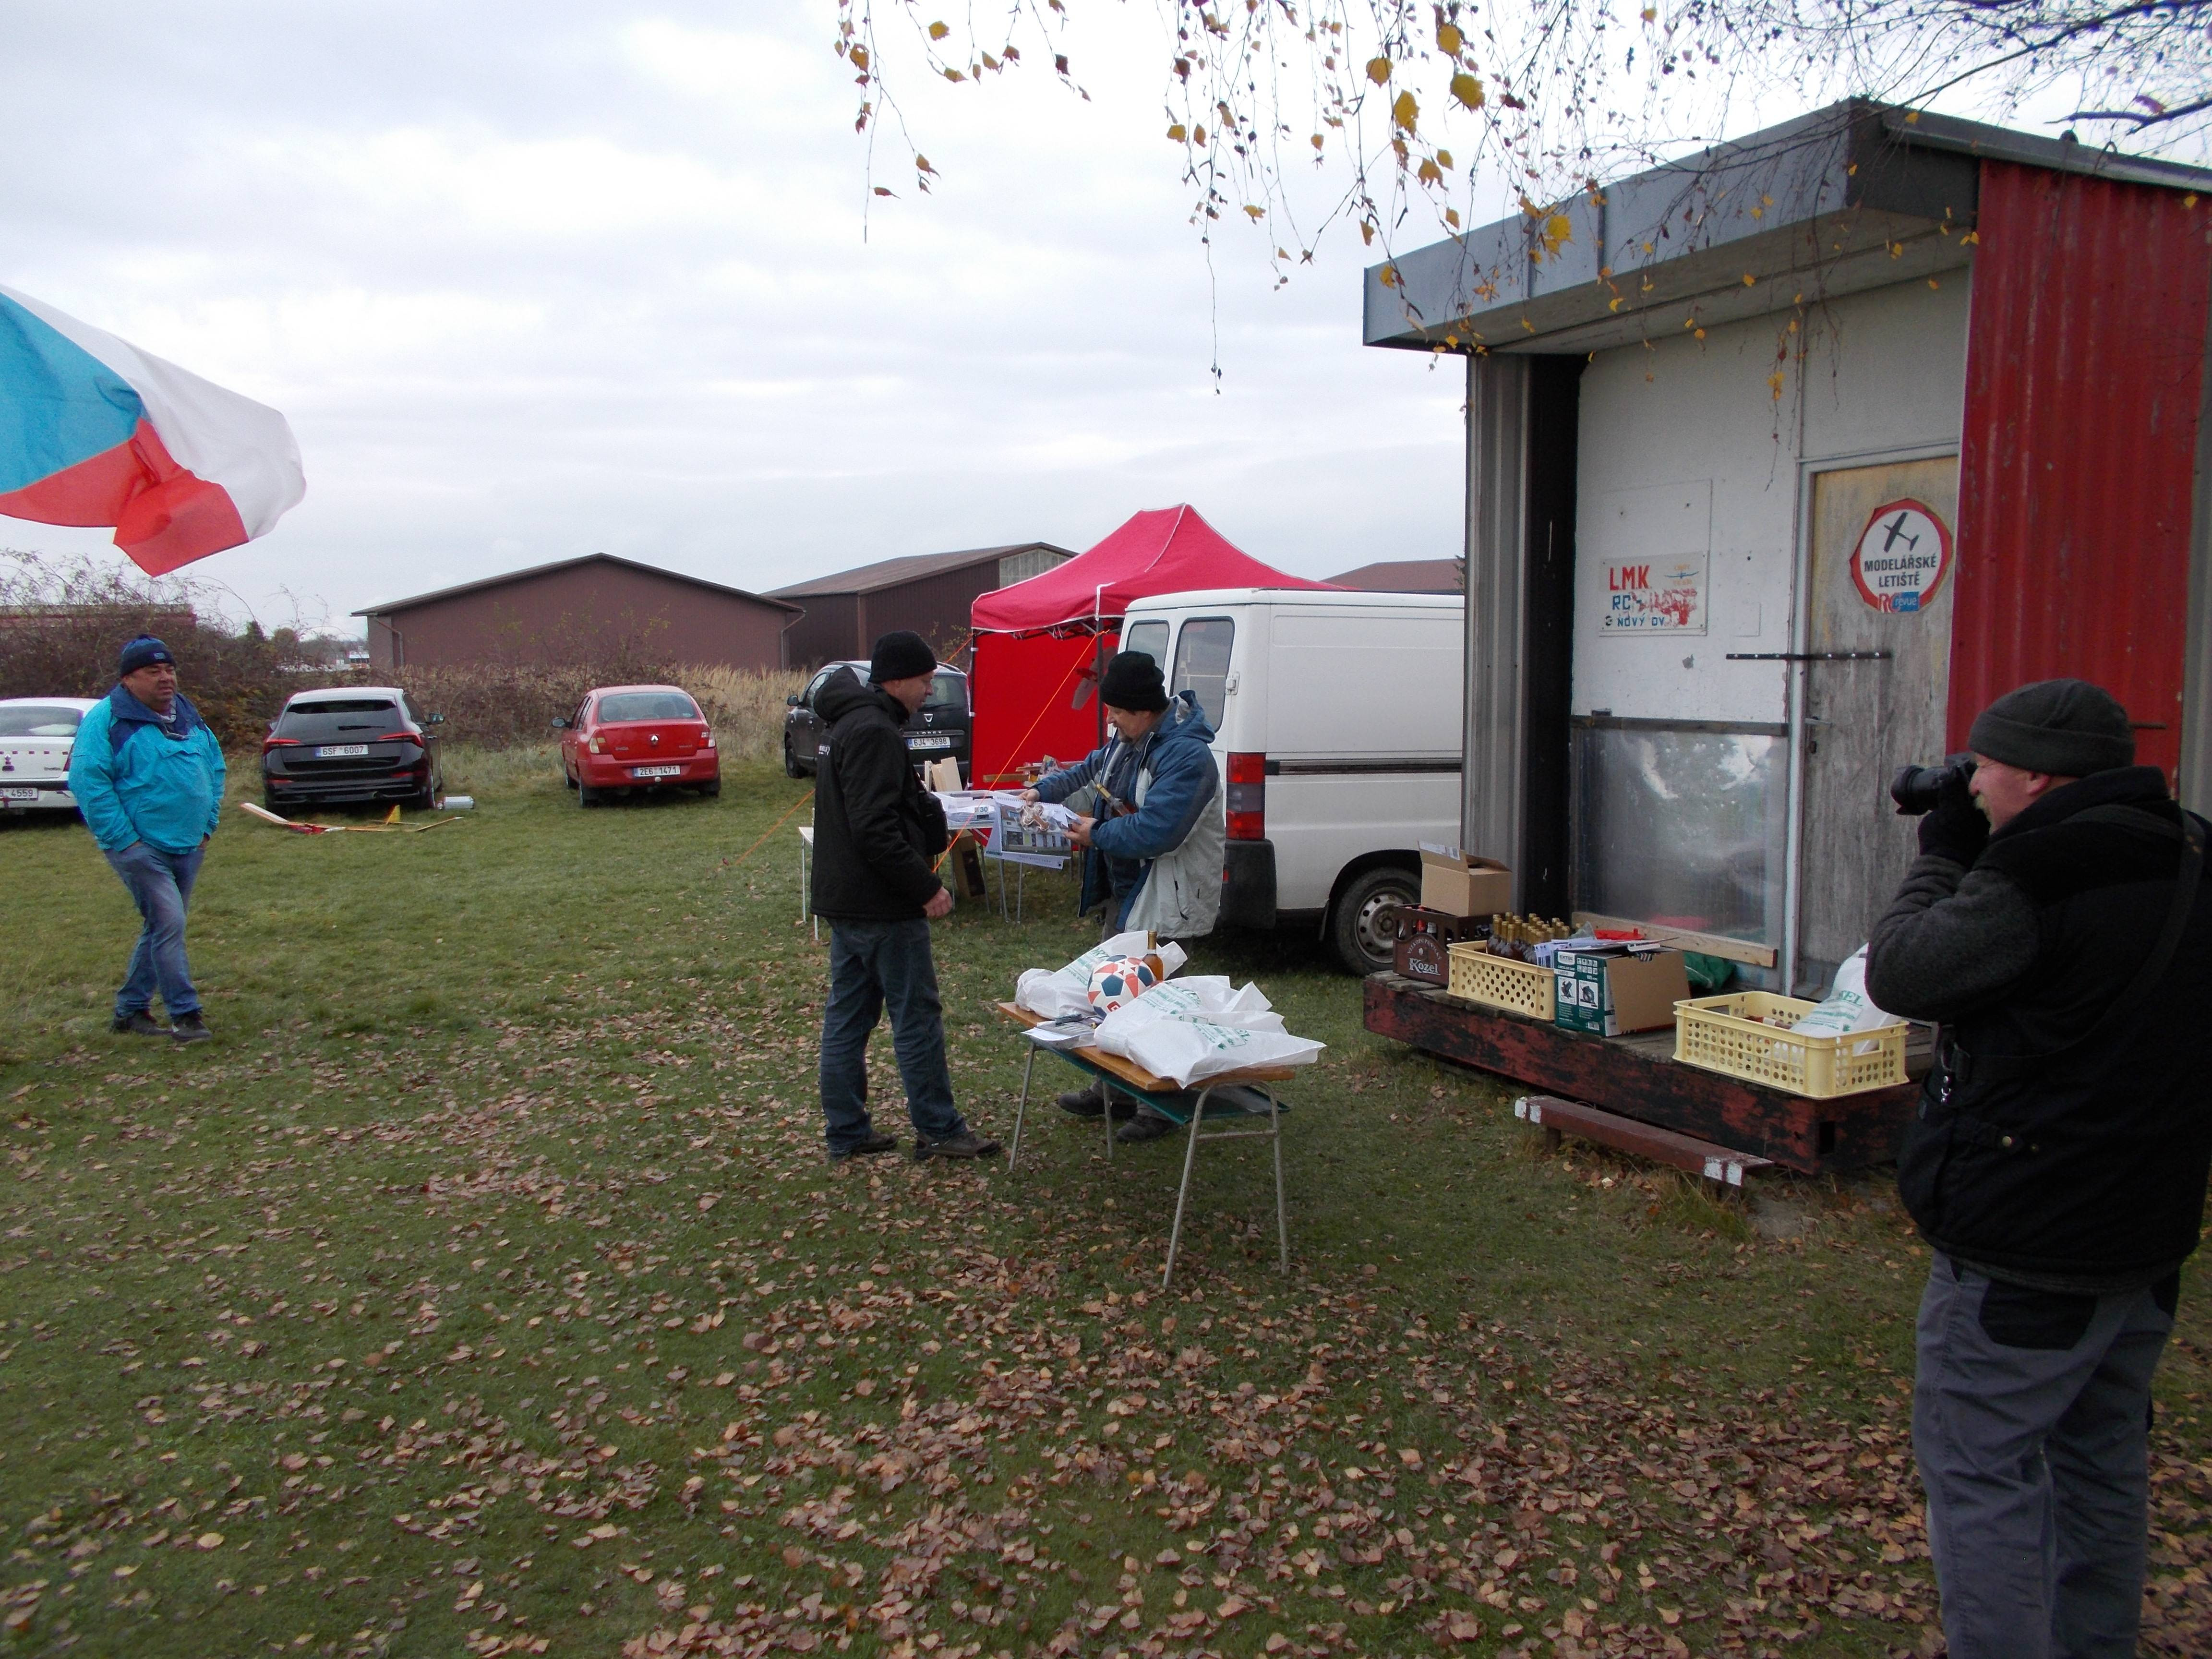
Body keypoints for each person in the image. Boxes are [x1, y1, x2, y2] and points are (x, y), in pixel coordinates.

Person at [1864, 678, 2212, 1659]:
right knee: (2102, 1460)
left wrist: (1942, 860)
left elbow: (1903, 971)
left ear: (2038, 776)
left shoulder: (2036, 873)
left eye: (1986, 767)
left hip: (2024, 1243)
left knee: (1980, 1470)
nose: (1974, 785)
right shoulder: (2192, 850)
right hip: (2144, 1234)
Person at [809, 630, 999, 1162]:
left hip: (850, 901)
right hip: (883, 904)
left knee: (848, 1017)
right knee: (915, 1017)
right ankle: (938, 1129)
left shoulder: (853, 724)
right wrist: (926, 887)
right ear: (896, 680)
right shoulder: (874, 731)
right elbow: (874, 828)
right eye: (924, 681)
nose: (928, 691)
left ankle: (847, 1131)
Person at [1023, 649, 1225, 1142]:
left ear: (1143, 709)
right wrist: (1043, 793)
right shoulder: (1127, 741)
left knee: (1159, 1006)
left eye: (1116, 711)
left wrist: (1094, 833)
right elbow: (1089, 772)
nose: (1109, 720)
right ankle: (1111, 1090)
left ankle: (1160, 1107)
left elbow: (1159, 831)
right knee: (1112, 996)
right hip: (1128, 891)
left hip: (1167, 897)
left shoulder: (1188, 758)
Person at [67, 636, 227, 1043]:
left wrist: (207, 826)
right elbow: (88, 782)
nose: (165, 678)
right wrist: (125, 842)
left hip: (189, 844)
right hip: (140, 849)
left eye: (169, 670)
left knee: (161, 926)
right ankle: (185, 1014)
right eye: (153, 671)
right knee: (169, 923)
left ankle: (130, 1011)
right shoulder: (106, 721)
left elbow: (215, 766)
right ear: (128, 679)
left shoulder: (186, 714)